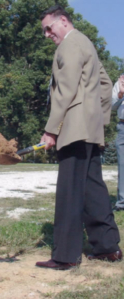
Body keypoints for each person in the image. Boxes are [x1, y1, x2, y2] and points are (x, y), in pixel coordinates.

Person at [36, 5, 122, 271]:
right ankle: (107, 248)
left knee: (70, 191)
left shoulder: (70, 45)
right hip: (89, 129)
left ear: (63, 21)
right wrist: (98, 118)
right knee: (92, 189)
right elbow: (106, 85)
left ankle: (65, 256)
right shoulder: (87, 44)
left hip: (74, 129)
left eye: (49, 28)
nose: (47, 34)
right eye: (44, 31)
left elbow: (66, 88)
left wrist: (51, 129)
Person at [112, 74, 124, 211]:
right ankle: (122, 203)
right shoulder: (120, 81)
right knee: (122, 165)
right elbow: (112, 107)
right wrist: (121, 93)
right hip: (122, 127)